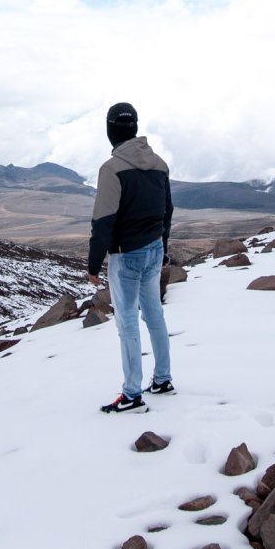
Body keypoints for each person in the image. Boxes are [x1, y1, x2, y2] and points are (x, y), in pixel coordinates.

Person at [86, 102, 174, 413]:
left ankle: (132, 394)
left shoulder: (112, 169)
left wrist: (93, 264)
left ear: (111, 131)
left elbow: (103, 220)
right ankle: (163, 378)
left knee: (127, 324)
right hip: (154, 250)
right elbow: (167, 211)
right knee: (154, 315)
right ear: (133, 128)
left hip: (126, 256)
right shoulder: (160, 164)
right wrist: (163, 246)